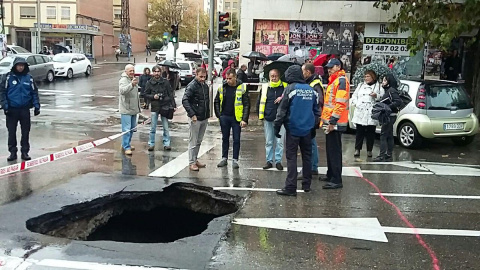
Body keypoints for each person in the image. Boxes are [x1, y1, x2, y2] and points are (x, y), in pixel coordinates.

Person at [274, 65, 319, 196]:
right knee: (307, 157)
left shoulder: (290, 89)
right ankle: (306, 185)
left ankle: (290, 187)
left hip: (293, 129)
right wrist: (313, 127)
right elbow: (317, 111)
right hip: (307, 129)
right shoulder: (311, 90)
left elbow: (282, 111)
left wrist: (277, 127)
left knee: (291, 157)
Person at [0, 57, 40, 161]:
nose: (21, 67)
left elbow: (34, 92)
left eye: (22, 65)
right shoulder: (8, 78)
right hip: (11, 110)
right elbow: (2, 92)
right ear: (15, 66)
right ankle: (13, 152)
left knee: (25, 132)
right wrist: (5, 106)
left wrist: (37, 106)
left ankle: (25, 152)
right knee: (12, 132)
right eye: (19, 65)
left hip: (24, 110)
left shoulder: (29, 78)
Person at [320, 58, 350, 189]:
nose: (329, 69)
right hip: (332, 122)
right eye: (328, 67)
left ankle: (336, 179)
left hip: (336, 123)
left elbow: (340, 103)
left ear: (338, 67)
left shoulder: (341, 81)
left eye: (331, 67)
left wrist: (333, 121)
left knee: (334, 151)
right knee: (331, 150)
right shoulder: (335, 81)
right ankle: (331, 174)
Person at [214, 69, 250, 169]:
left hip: (236, 118)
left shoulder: (242, 87)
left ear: (235, 77)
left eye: (230, 78)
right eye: (226, 78)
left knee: (236, 139)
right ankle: (224, 158)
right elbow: (216, 101)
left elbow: (247, 104)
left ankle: (235, 160)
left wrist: (244, 119)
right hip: (225, 117)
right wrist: (219, 115)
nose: (228, 81)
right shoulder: (222, 88)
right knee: (225, 138)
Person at [257, 69, 287, 170]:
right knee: (269, 141)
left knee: (279, 142)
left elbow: (289, 100)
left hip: (281, 119)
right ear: (269, 77)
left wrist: (282, 98)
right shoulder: (265, 87)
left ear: (279, 76)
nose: (274, 78)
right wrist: (261, 115)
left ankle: (278, 161)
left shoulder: (285, 87)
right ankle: (269, 161)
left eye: (276, 76)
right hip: (268, 117)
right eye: (272, 76)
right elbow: (259, 102)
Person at [299, 63, 324, 177]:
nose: (301, 73)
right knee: (311, 143)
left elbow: (318, 101)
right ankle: (313, 167)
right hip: (312, 116)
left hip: (312, 117)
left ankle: (312, 167)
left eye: (302, 71)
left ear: (308, 72)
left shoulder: (315, 84)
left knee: (311, 143)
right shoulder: (311, 82)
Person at [182, 68, 210, 171]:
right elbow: (185, 100)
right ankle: (191, 162)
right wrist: (192, 114)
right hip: (195, 118)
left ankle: (195, 159)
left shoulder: (205, 86)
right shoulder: (192, 86)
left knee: (198, 141)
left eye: (204, 77)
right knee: (193, 141)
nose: (203, 79)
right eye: (200, 77)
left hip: (203, 117)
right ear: (196, 75)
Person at [351, 70, 382, 158]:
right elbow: (354, 96)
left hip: (371, 111)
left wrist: (376, 96)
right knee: (359, 132)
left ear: (373, 77)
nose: (366, 78)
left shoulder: (378, 86)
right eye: (365, 76)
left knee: (370, 132)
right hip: (360, 110)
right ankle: (357, 149)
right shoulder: (361, 85)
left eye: (368, 76)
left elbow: (382, 97)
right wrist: (357, 103)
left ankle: (369, 150)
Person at [145, 65, 175, 152]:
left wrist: (173, 105)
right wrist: (153, 96)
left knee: (165, 127)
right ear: (152, 72)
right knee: (153, 127)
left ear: (160, 72)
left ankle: (167, 144)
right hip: (155, 106)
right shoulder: (149, 83)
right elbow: (145, 94)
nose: (156, 73)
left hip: (164, 106)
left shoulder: (165, 82)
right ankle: (151, 144)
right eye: (155, 71)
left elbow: (170, 94)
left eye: (158, 71)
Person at [373, 74, 402, 162]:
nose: (383, 82)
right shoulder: (388, 91)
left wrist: (387, 107)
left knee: (383, 135)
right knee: (389, 135)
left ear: (389, 82)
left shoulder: (391, 90)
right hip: (390, 115)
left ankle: (382, 155)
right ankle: (388, 155)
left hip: (389, 116)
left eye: (385, 81)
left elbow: (398, 101)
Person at [119, 64, 141, 155]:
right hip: (126, 109)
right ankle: (126, 147)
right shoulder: (123, 80)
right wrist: (131, 85)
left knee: (132, 129)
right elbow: (122, 91)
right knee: (127, 129)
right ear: (126, 71)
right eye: (130, 71)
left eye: (133, 70)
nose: (132, 72)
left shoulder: (133, 79)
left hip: (133, 108)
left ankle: (125, 144)